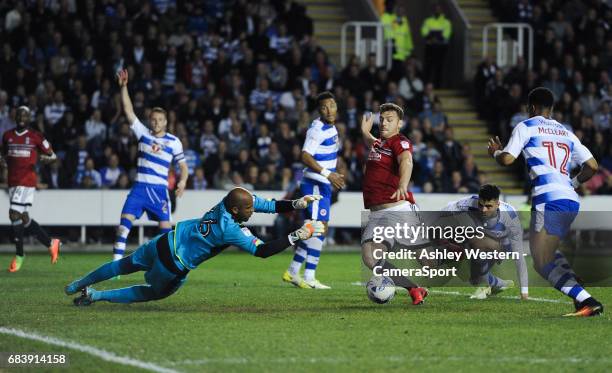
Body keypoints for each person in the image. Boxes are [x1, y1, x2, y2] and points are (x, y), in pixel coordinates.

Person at [65, 188, 324, 305]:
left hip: (164, 241)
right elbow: (262, 251)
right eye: (248, 208)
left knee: (123, 264)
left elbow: (265, 204)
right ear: (236, 209)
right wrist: (299, 234)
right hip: (174, 264)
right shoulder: (230, 230)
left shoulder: (227, 203)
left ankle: (77, 283)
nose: (252, 210)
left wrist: (297, 204)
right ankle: (95, 296)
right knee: (154, 294)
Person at [488, 87, 602, 317]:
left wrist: (495, 152)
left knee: (541, 261)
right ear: (552, 108)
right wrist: (573, 183)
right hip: (570, 200)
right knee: (547, 252)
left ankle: (587, 301)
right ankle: (570, 279)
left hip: (548, 200)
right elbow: (592, 166)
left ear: (530, 108)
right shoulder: (566, 132)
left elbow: (508, 158)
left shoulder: (526, 126)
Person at [111, 69, 189, 262]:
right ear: (150, 120)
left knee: (165, 233)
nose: (156, 122)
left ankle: (163, 265)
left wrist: (183, 181)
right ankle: (115, 266)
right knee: (123, 226)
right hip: (139, 188)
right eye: (153, 119)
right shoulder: (143, 134)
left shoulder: (174, 141)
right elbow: (129, 111)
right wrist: (124, 87)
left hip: (159, 191)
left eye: (160, 120)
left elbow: (183, 166)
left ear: (166, 122)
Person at [360, 103, 428, 305]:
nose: (384, 123)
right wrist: (365, 133)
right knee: (370, 258)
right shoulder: (380, 144)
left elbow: (406, 161)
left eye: (390, 119)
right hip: (377, 214)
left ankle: (461, 253)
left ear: (399, 124)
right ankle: (414, 289)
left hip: (397, 210)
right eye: (382, 119)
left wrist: (402, 185)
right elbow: (375, 143)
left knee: (428, 261)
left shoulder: (400, 141)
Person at [282, 91, 345, 289]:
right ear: (319, 110)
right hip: (316, 183)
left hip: (322, 184)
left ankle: (293, 271)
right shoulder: (317, 129)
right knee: (319, 228)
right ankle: (309, 276)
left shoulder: (331, 127)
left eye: (332, 106)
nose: (329, 110)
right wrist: (328, 174)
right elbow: (305, 156)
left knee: (313, 229)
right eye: (325, 107)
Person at [442, 184, 529, 300]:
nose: (483, 210)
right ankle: (499, 284)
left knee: (477, 242)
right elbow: (445, 210)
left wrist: (524, 291)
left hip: (502, 244)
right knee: (473, 278)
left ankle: (485, 284)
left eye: (488, 206)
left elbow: (519, 256)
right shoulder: (467, 203)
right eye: (481, 205)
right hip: (481, 238)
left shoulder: (510, 217)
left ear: (498, 204)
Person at [1, 106, 61, 272]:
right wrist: (3, 162)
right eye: (19, 114)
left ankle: (20, 254)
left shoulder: (36, 136)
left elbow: (53, 156)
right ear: (15, 117)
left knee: (13, 214)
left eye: (25, 115)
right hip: (13, 181)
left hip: (27, 181)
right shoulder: (7, 136)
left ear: (29, 118)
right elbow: (4, 155)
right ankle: (51, 243)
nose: (22, 117)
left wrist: (44, 159)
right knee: (24, 218)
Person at [421, 3, 452, 87]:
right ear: (433, 10)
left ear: (441, 11)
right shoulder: (428, 21)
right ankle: (426, 85)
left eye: (439, 9)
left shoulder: (446, 22)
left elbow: (447, 34)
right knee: (428, 67)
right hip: (430, 47)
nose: (437, 11)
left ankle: (438, 86)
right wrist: (433, 37)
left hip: (441, 48)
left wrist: (435, 37)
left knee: (439, 67)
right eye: (435, 9)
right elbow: (424, 31)